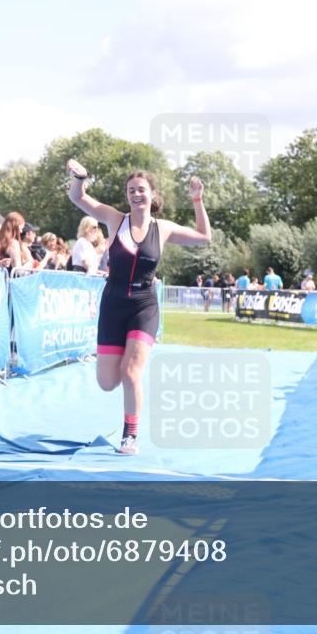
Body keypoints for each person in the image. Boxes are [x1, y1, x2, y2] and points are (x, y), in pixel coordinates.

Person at [66, 158, 211, 454]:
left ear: (152, 193)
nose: (135, 194)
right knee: (108, 382)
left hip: (144, 305)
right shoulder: (114, 219)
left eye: (141, 189)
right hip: (113, 304)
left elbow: (203, 236)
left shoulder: (164, 228)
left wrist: (197, 200)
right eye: (131, 189)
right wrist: (81, 178)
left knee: (132, 373)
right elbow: (78, 197)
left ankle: (130, 434)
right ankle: (125, 380)